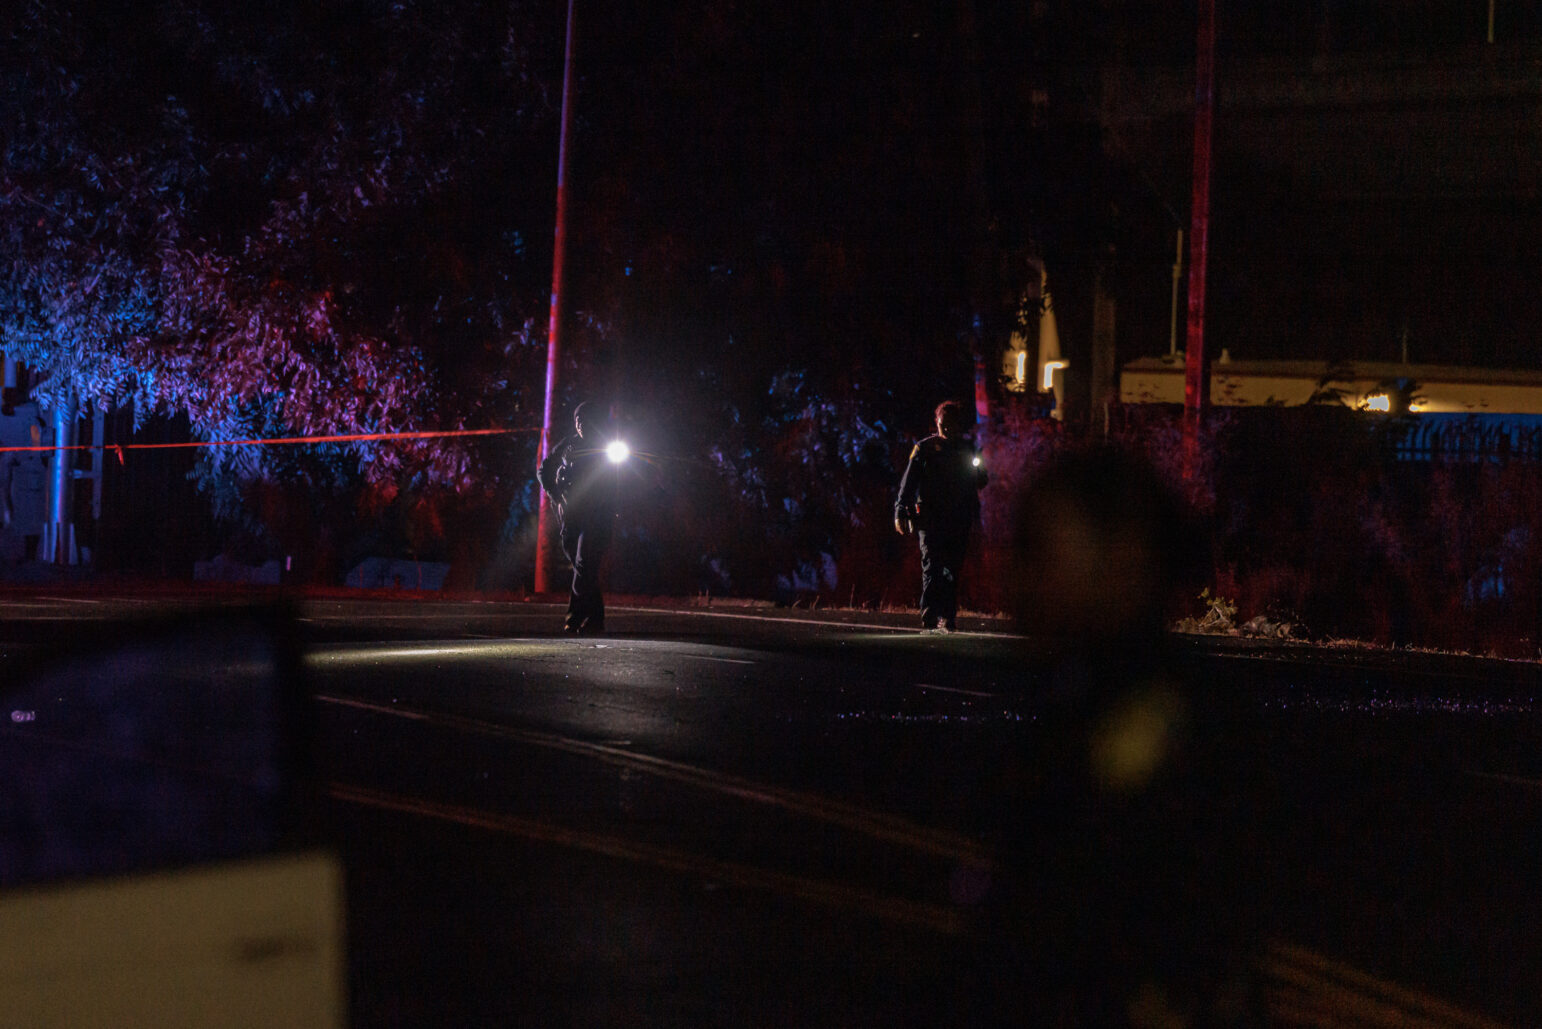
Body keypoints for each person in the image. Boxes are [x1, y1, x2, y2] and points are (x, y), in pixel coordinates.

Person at [894, 399, 987, 632]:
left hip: (958, 518)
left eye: (950, 424)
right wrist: (900, 511)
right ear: (936, 422)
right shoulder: (924, 448)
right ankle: (929, 614)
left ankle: (948, 615)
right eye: (942, 424)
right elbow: (908, 484)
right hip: (929, 517)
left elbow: (981, 482)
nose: (945, 429)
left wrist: (978, 468)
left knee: (952, 569)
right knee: (932, 566)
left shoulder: (967, 449)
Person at [538, 402, 619, 634]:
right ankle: (596, 620)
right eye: (577, 420)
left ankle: (574, 617)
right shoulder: (568, 444)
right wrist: (556, 496)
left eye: (585, 419)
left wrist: (614, 508)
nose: (581, 424)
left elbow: (616, 481)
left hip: (596, 516)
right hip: (571, 515)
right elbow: (544, 470)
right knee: (583, 568)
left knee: (584, 563)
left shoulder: (604, 447)